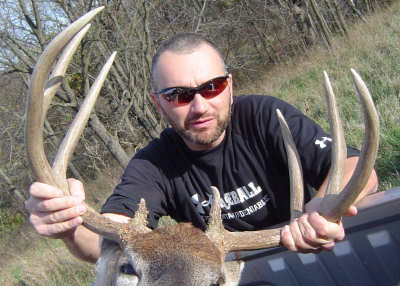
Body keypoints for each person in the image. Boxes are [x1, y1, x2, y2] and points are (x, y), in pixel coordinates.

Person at [25, 33, 378, 263]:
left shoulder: (266, 117)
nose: (199, 106)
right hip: (237, 285)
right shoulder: (155, 164)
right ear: (157, 103)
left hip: (322, 252)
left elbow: (356, 171)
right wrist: (70, 225)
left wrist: (315, 214)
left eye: (211, 87)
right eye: (178, 95)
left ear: (229, 86)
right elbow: (109, 239)